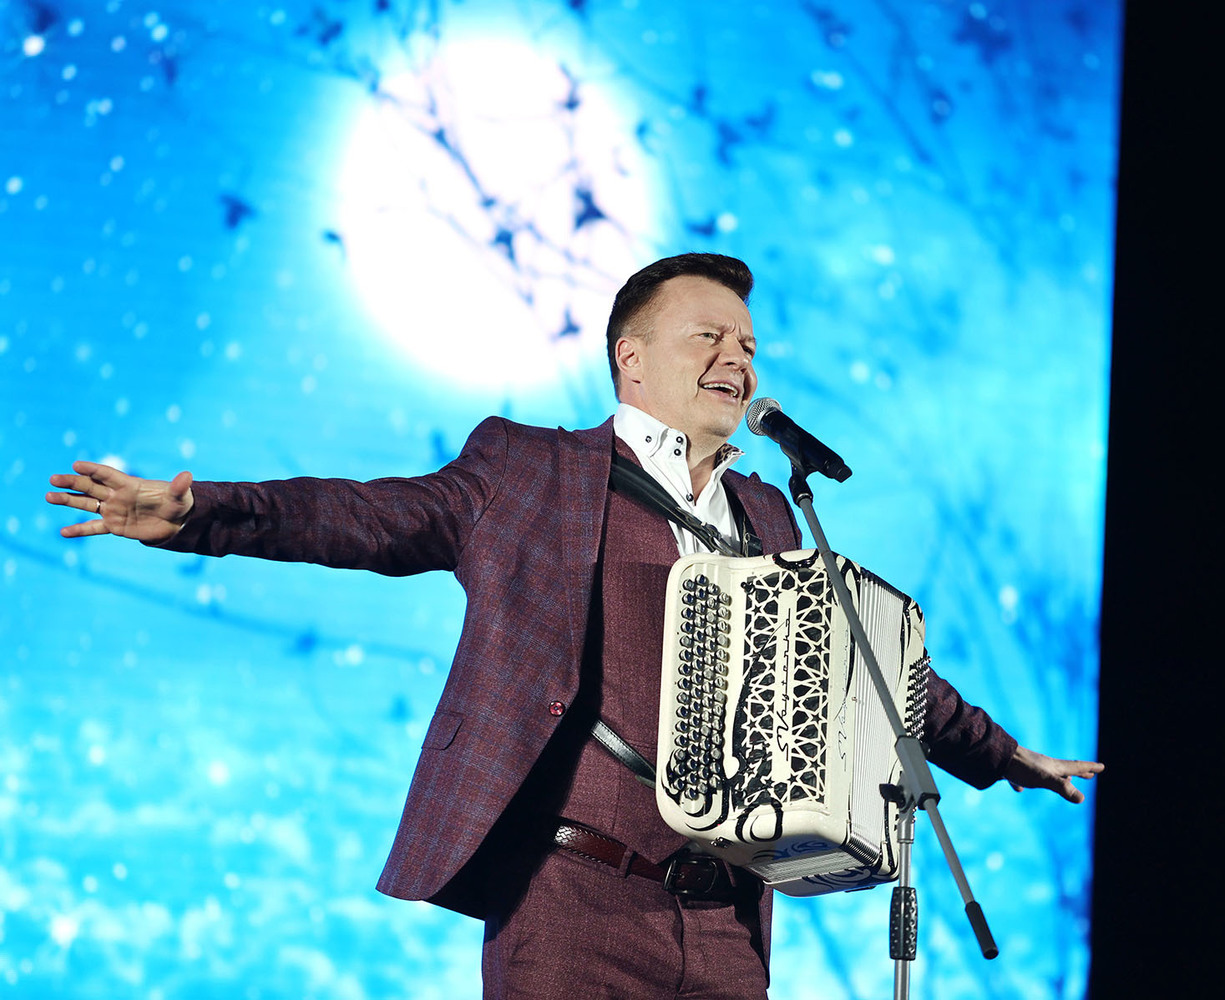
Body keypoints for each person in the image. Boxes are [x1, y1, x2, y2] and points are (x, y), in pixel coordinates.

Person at [47, 253, 1102, 998]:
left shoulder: (773, 514)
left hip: (729, 923)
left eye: (748, 343)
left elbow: (868, 661)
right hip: (572, 904)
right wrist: (202, 513)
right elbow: (368, 516)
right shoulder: (529, 469)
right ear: (631, 358)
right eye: (709, 335)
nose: (738, 357)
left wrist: (1000, 754)